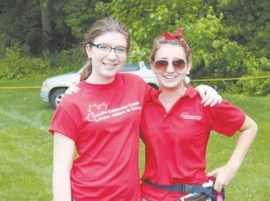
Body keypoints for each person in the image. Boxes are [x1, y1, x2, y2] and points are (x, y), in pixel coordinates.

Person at [49, 17, 222, 201]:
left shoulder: (135, 85)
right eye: (104, 47)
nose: (112, 56)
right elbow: (61, 169)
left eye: (119, 50)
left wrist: (200, 90)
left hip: (131, 196)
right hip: (87, 196)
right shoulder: (71, 102)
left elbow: (172, 97)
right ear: (89, 49)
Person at [140, 29, 258, 201]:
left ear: (188, 66)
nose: (170, 69)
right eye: (162, 63)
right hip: (148, 195)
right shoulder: (143, 103)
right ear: (152, 66)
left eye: (178, 63)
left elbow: (250, 127)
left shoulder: (204, 101)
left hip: (192, 195)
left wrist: (231, 168)